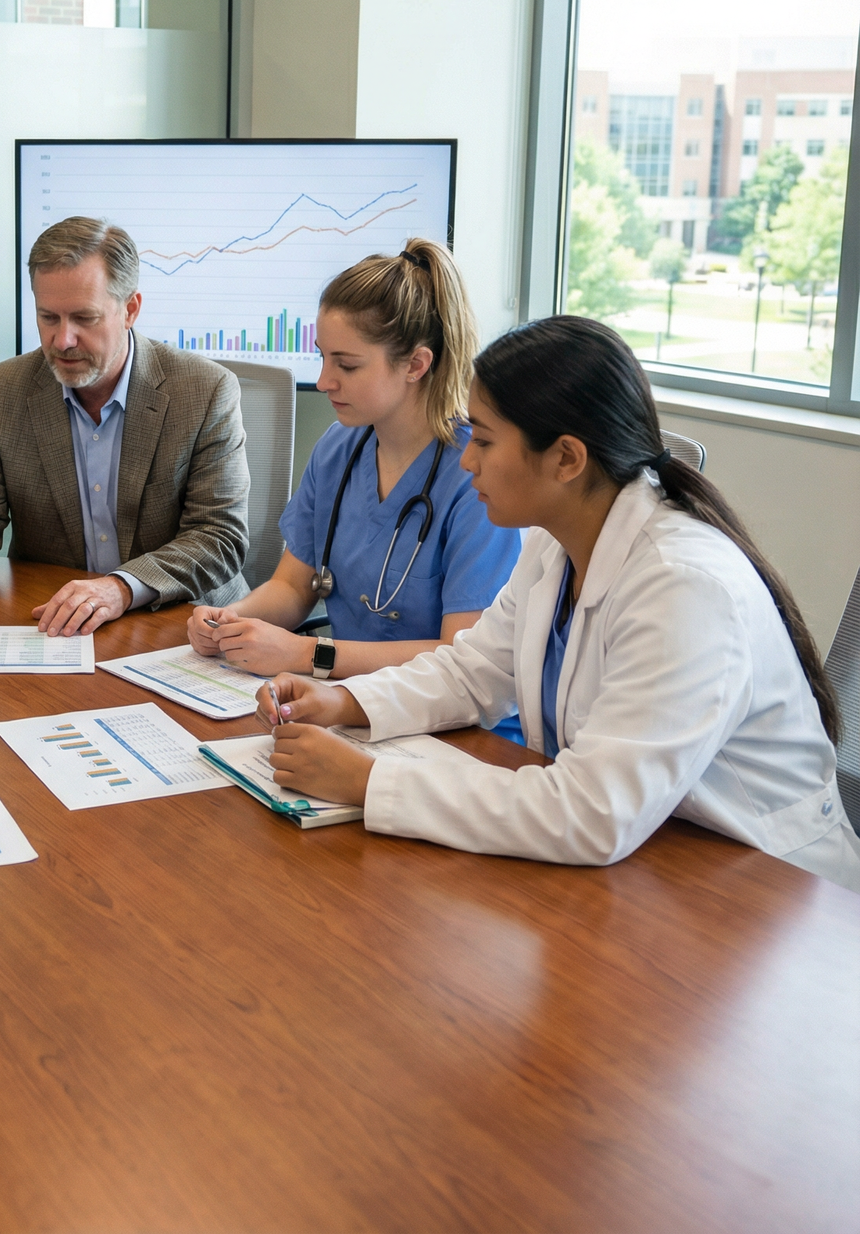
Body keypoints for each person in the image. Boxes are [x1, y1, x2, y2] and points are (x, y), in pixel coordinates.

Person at [258, 315, 860, 890]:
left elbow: (594, 811)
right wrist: (343, 702)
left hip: (769, 890)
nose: (466, 459)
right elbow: (472, 670)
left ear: (567, 458)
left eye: (484, 440)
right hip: (660, 860)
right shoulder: (558, 543)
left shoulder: (682, 587)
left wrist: (371, 782)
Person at [188, 239, 521, 705]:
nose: (325, 381)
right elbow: (292, 586)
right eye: (323, 357)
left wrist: (308, 653)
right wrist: (231, 621)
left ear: (416, 364)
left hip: (450, 718)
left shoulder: (476, 477)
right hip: (349, 701)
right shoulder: (339, 448)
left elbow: (461, 656)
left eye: (346, 365)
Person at [0, 217, 249, 635]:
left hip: (187, 624)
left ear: (130, 309)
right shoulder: (0, 391)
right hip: (55, 622)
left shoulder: (205, 390)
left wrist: (121, 588)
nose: (63, 340)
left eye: (84, 318)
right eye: (48, 318)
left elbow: (218, 535)